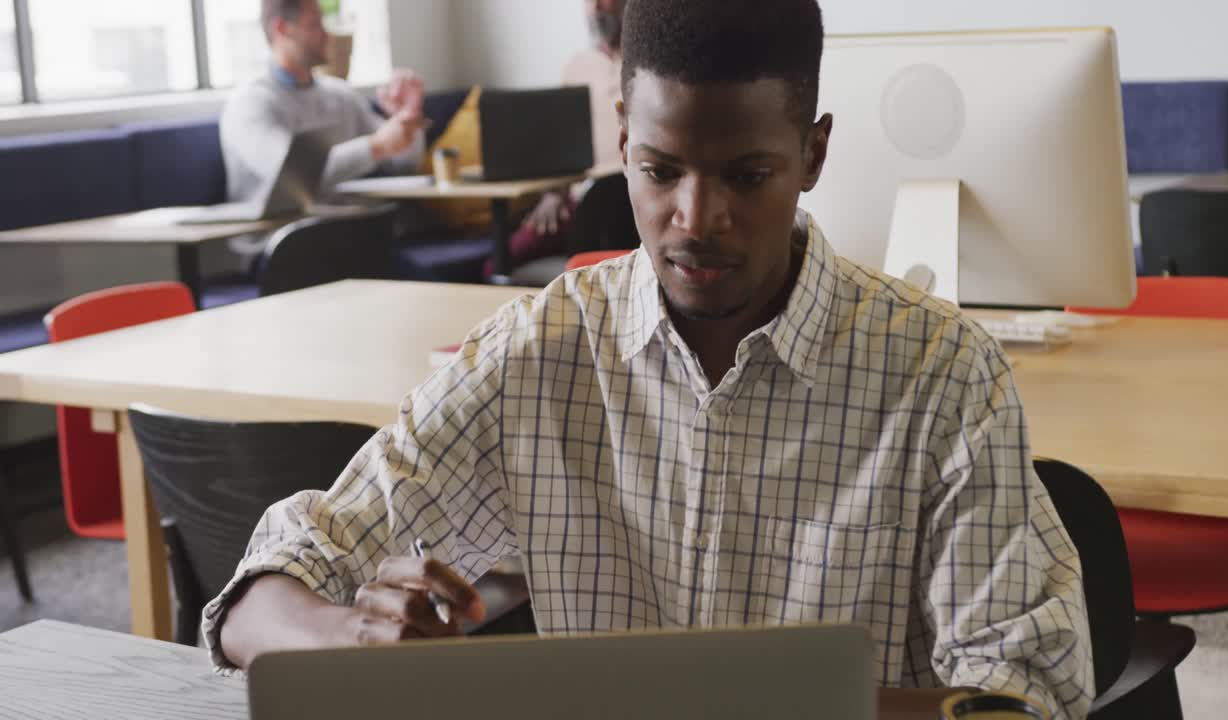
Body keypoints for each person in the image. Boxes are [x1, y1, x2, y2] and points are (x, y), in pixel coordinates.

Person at [207, 1, 1092, 717]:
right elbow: (265, 586)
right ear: (623, 135)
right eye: (659, 170)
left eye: (746, 176)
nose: (696, 219)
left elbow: (1023, 690)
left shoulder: (943, 374)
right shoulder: (540, 353)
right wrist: (342, 640)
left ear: (813, 154)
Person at [219, 0, 427, 204]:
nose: (327, 34)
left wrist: (406, 116)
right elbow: (294, 177)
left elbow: (404, 164)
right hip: (278, 235)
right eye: (314, 24)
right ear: (282, 28)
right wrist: (376, 146)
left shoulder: (340, 95)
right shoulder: (250, 104)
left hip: (342, 226)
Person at [489, 0, 630, 283]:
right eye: (591, 3)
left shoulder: (647, 59)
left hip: (629, 194)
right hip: (577, 200)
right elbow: (562, 145)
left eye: (606, 2)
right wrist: (554, 194)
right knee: (498, 264)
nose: (598, 9)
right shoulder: (577, 66)